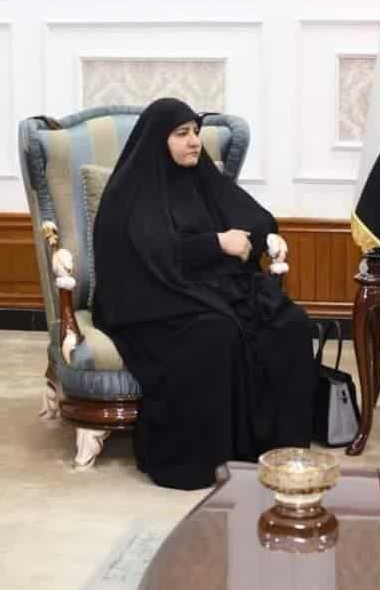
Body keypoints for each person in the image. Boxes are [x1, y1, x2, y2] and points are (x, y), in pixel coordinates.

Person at [93, 98, 316, 490]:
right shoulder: (129, 191)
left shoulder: (202, 178)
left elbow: (256, 219)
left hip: (209, 287)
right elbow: (151, 252)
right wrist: (216, 244)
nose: (194, 142)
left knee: (290, 324)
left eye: (195, 132)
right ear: (158, 141)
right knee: (216, 333)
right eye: (181, 134)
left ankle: (275, 449)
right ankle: (207, 461)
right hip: (151, 298)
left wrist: (257, 239)